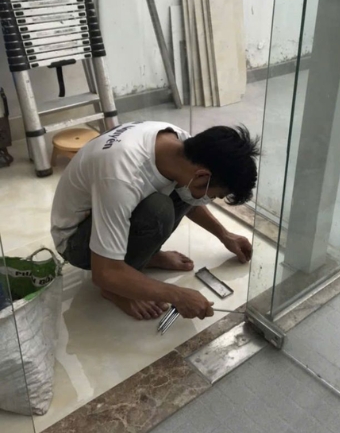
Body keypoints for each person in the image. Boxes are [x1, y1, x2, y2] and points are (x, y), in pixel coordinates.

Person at [51, 121, 259, 321]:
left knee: (182, 187)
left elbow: (190, 196)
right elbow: (104, 272)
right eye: (214, 195)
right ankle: (115, 290)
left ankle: (147, 257)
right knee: (157, 210)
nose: (209, 199)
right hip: (75, 239)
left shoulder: (179, 144)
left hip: (106, 206)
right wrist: (177, 295)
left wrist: (224, 235)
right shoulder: (121, 176)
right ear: (202, 176)